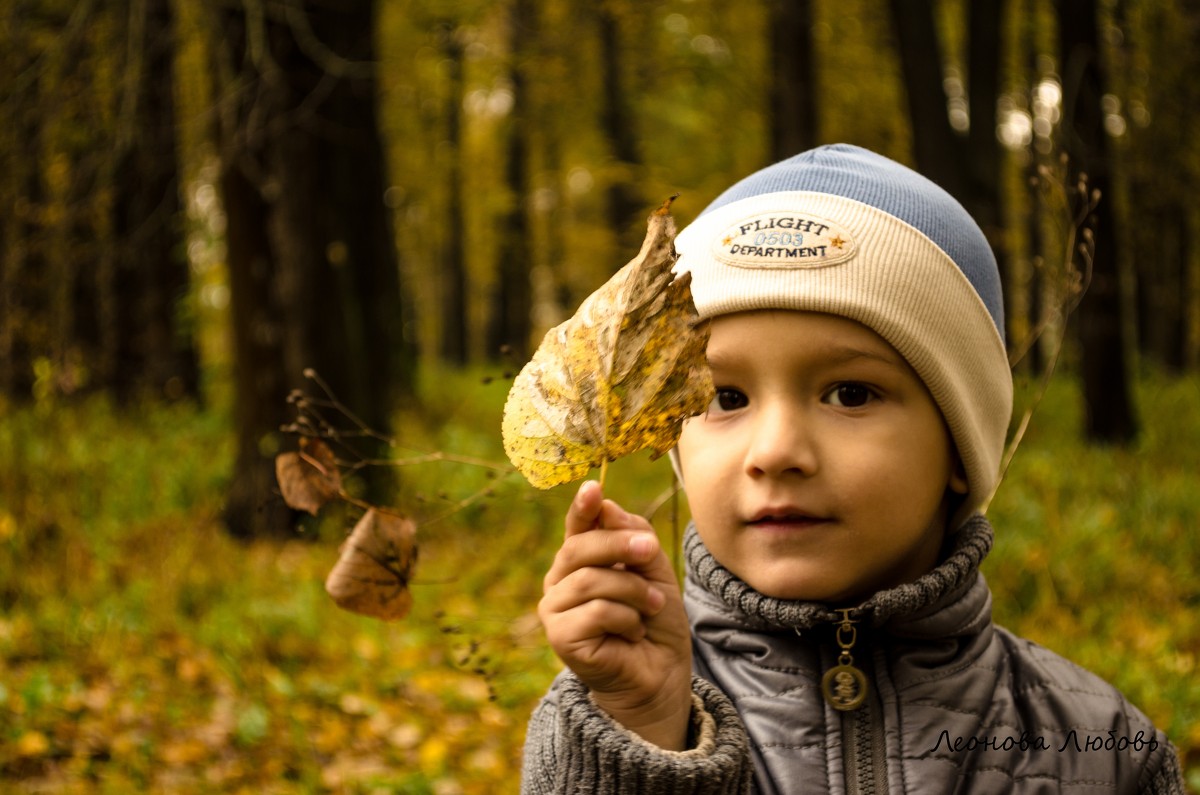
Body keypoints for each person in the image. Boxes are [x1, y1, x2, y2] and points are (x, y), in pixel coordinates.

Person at [520, 144, 1186, 793]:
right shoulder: (608, 712)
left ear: (960, 446)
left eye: (850, 394)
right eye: (727, 397)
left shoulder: (1100, 747)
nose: (775, 450)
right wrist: (645, 733)